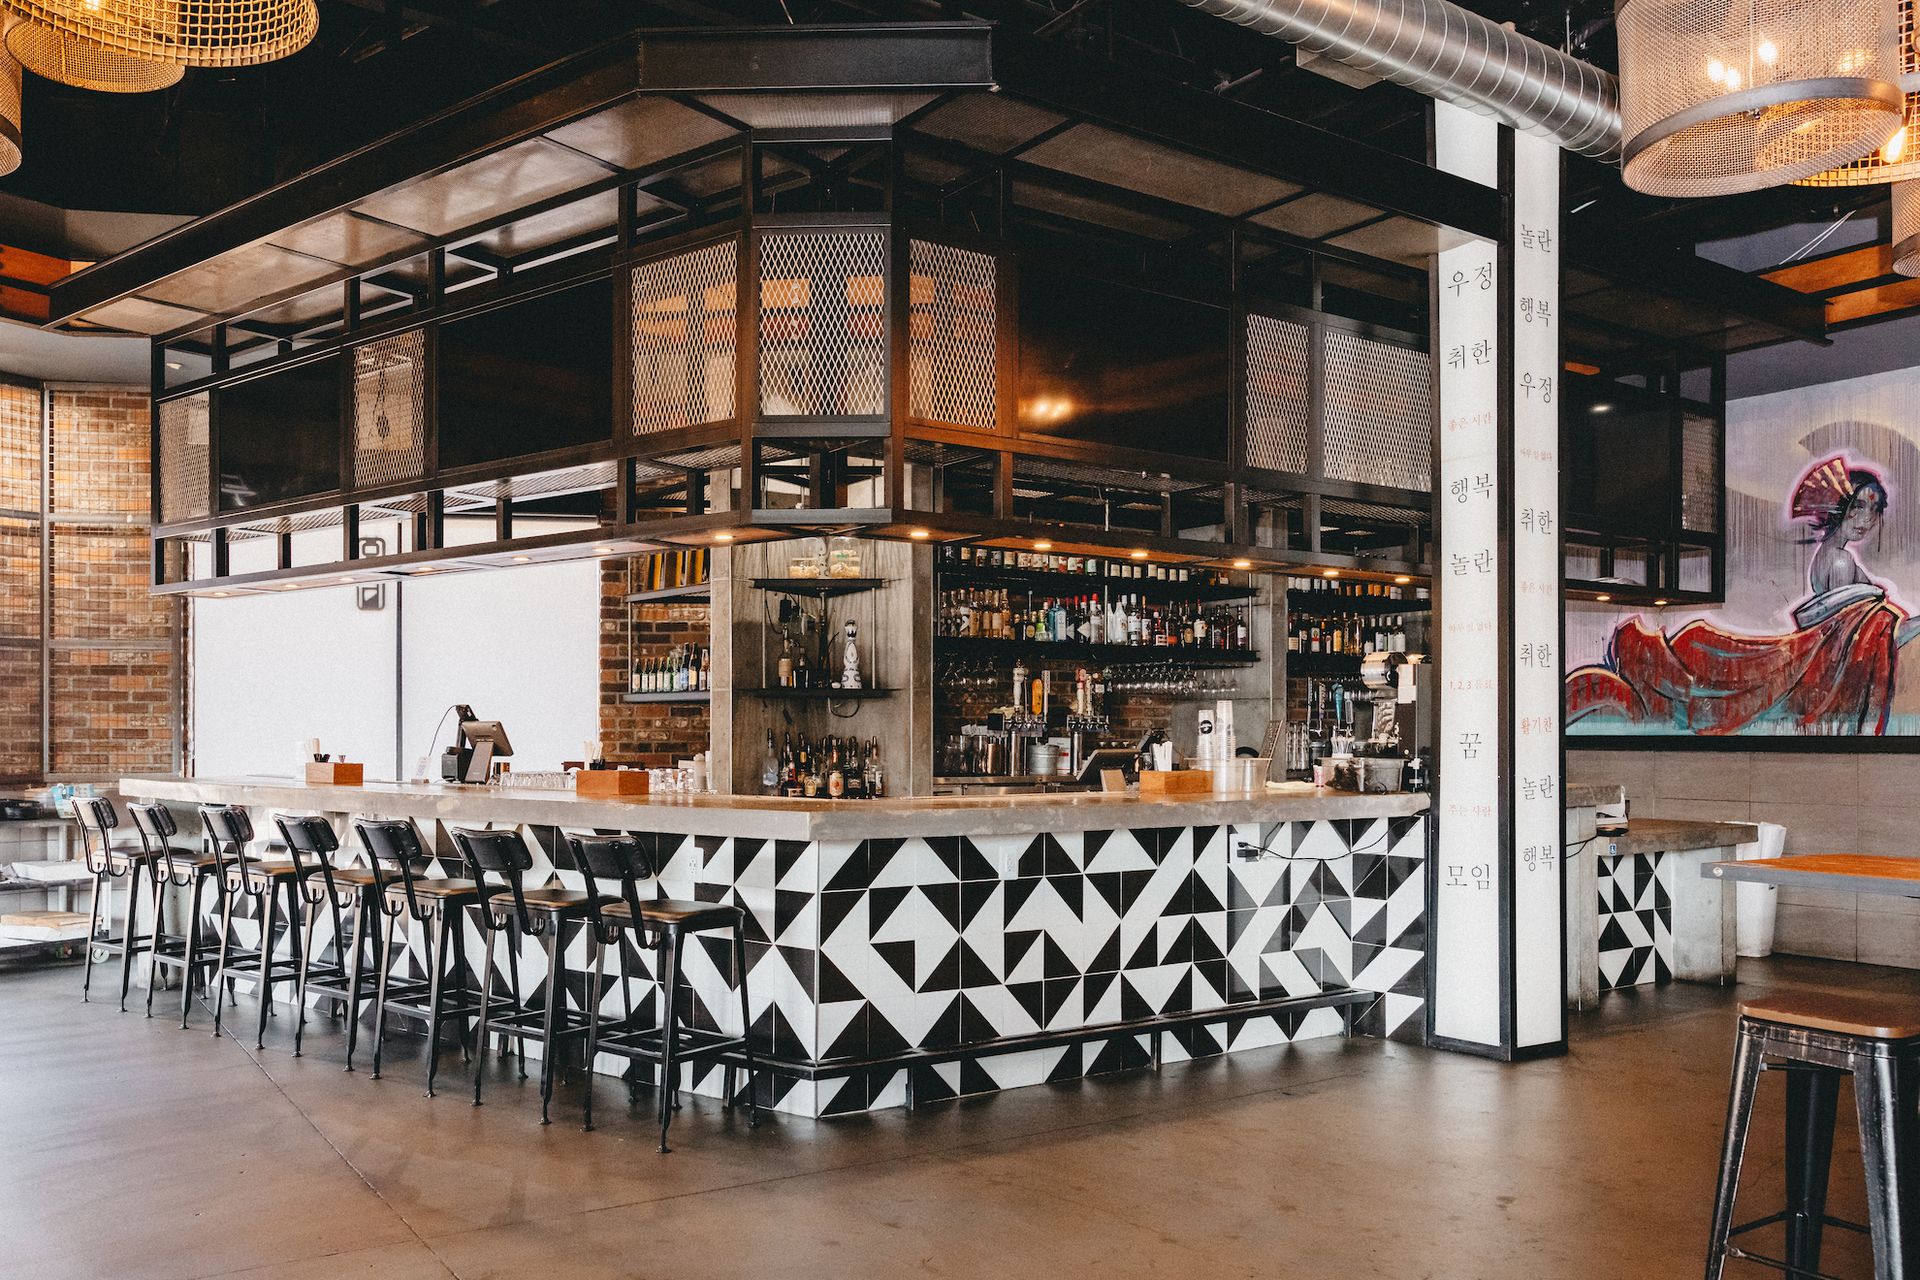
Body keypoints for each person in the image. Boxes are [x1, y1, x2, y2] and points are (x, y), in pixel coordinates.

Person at [1566, 454, 1911, 735]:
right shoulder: (1837, 561)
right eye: (1858, 507)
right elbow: (1856, 637)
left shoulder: (1840, 558)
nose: (1865, 519)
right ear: (1840, 508)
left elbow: (1859, 633)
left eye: (1873, 509)